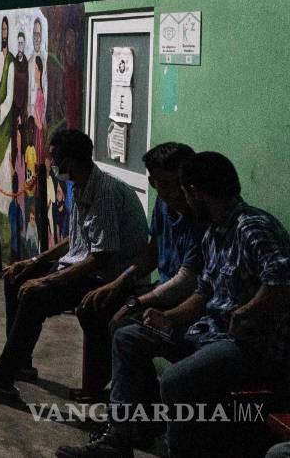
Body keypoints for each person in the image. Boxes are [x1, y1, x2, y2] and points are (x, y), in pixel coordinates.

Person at [57, 152, 290, 458]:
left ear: (194, 192)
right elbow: (203, 294)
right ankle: (119, 438)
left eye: (182, 190)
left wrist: (249, 310)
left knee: (175, 381)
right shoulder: (214, 232)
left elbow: (282, 279)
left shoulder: (252, 227)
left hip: (246, 344)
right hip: (208, 331)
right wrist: (167, 317)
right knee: (129, 337)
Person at [0, 129, 149, 404]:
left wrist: (47, 280)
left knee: (35, 295)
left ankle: (1, 382)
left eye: (55, 158)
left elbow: (101, 257)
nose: (52, 164)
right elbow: (75, 240)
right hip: (86, 266)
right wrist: (35, 262)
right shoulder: (82, 186)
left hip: (108, 278)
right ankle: (20, 362)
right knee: (15, 277)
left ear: (72, 161)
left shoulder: (104, 193)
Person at [71, 142, 202, 400]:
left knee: (125, 327)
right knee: (93, 306)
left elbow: (187, 280)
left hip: (185, 298)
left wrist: (136, 302)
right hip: (162, 289)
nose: (169, 191)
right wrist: (119, 282)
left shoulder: (200, 215)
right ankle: (125, 389)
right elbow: (153, 251)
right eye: (160, 184)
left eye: (175, 183)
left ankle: (134, 400)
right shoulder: (163, 205)